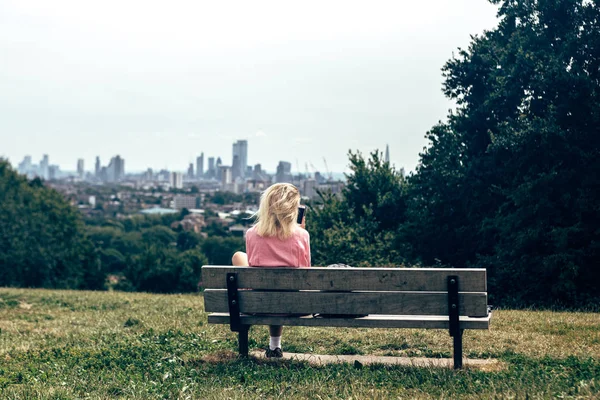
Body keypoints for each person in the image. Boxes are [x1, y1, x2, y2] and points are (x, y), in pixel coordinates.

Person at [232, 183, 310, 358]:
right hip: (295, 306)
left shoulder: (252, 233)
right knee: (279, 290)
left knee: (239, 256)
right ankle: (275, 346)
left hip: (256, 304)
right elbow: (306, 271)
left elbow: (253, 264)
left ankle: (274, 346)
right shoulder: (302, 235)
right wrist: (300, 232)